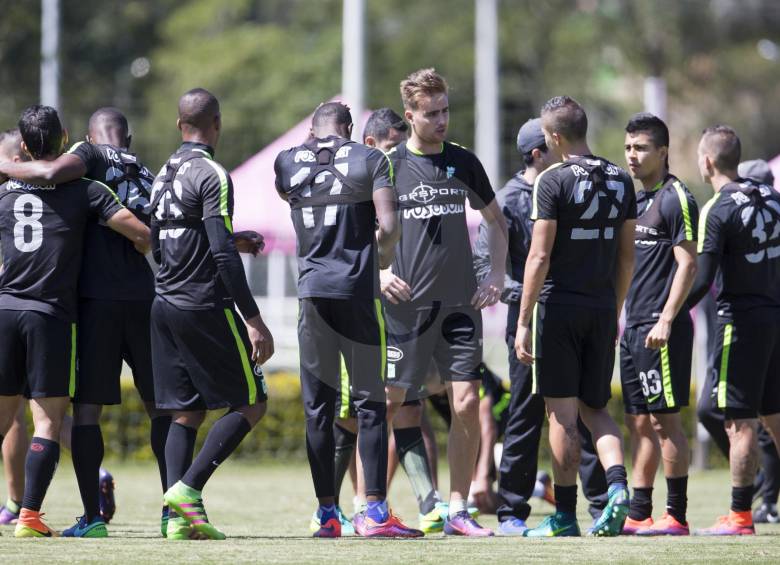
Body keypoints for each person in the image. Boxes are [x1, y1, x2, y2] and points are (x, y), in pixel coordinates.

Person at [0, 108, 171, 537]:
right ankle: (31, 516)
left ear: (23, 146)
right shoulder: (90, 190)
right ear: (66, 137)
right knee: (52, 423)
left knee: (22, 420)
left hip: (24, 308)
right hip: (66, 313)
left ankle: (79, 516)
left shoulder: (5, 191)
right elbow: (146, 235)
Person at [275, 101, 421, 538]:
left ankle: (326, 514)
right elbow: (390, 227)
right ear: (352, 129)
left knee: (318, 410)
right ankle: (374, 511)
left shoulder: (287, 161)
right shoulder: (371, 158)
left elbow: (293, 184)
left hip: (312, 295)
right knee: (370, 404)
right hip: (356, 294)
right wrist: (378, 257)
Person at [381, 68, 507, 537]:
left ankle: (458, 509)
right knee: (387, 404)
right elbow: (360, 232)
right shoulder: (388, 165)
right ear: (410, 115)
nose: (441, 120)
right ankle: (369, 505)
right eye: (430, 113)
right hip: (406, 307)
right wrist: (380, 273)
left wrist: (493, 275)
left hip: (459, 306)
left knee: (468, 403)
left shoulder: (464, 162)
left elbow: (496, 221)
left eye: (445, 111)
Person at [473, 117, 608, 535]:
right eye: (554, 145)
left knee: (584, 409)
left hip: (572, 316)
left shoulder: (570, 187)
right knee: (526, 414)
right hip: (530, 321)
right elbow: (487, 266)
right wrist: (530, 299)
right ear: (538, 153)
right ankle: (512, 509)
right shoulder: (509, 200)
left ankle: (601, 505)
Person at [150, 88, 273, 541]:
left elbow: (163, 238)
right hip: (203, 304)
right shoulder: (213, 173)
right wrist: (254, 318)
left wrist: (231, 236)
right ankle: (187, 490)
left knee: (185, 412)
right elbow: (222, 255)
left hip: (164, 302)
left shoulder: (164, 172)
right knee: (253, 401)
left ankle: (174, 521)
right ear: (216, 124)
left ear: (178, 124)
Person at [515, 96, 635, 537]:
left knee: (562, 416)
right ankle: (619, 488)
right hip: (603, 308)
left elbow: (539, 255)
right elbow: (626, 260)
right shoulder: (623, 180)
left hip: (560, 308)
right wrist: (615, 310)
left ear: (554, 137)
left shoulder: (552, 180)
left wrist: (524, 320)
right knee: (597, 409)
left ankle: (564, 516)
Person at [687, 126, 780, 535]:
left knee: (739, 422)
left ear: (707, 161)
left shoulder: (718, 208)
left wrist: (668, 313)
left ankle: (740, 516)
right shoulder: (775, 199)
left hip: (740, 323)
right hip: (775, 317)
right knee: (775, 418)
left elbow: (703, 279)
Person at [619, 113, 699, 535]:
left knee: (665, 421)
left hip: (660, 329)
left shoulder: (676, 197)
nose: (633, 155)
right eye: (629, 147)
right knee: (638, 422)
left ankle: (678, 516)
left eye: (642, 147)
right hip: (633, 328)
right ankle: (639, 512)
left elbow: (689, 264)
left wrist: (667, 319)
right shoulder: (635, 200)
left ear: (663, 152)